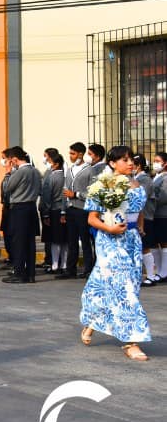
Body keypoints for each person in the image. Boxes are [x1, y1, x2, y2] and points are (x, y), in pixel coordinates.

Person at [79, 146, 151, 361]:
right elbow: (92, 218)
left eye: (131, 159)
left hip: (132, 241)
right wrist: (109, 228)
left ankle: (92, 321)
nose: (130, 163)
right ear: (112, 163)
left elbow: (140, 210)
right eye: (124, 160)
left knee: (110, 284)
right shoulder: (102, 185)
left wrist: (139, 225)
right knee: (124, 288)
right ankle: (131, 342)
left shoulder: (137, 184)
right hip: (110, 241)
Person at [1, 147, 41, 284]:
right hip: (31, 207)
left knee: (18, 242)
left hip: (19, 208)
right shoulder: (35, 172)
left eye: (11, 160)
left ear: (15, 159)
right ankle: (30, 274)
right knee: (30, 242)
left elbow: (7, 188)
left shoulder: (19, 172)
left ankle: (19, 273)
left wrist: (8, 173)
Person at [58, 143, 92, 280]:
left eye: (73, 153)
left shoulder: (89, 170)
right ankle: (70, 269)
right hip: (71, 209)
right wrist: (63, 211)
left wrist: (76, 194)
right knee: (71, 241)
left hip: (82, 209)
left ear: (80, 154)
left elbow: (92, 192)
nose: (70, 156)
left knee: (85, 241)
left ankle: (88, 269)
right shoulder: (70, 169)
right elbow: (65, 191)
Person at [40, 151, 67, 274]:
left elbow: (46, 197)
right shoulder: (66, 177)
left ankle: (55, 265)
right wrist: (64, 211)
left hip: (53, 210)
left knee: (54, 240)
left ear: (56, 164)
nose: (49, 165)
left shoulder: (51, 177)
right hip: (64, 210)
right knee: (64, 240)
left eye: (50, 162)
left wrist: (45, 213)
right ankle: (64, 264)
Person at [133, 154, 157, 286]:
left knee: (145, 247)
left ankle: (151, 276)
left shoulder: (144, 179)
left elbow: (141, 199)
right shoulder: (136, 178)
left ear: (138, 166)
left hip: (144, 216)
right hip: (136, 217)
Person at [151, 151, 167, 282]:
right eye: (154, 160)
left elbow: (163, 197)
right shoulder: (156, 176)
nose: (155, 163)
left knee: (164, 243)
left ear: (165, 163)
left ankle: (164, 272)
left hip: (163, 214)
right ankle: (160, 271)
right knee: (155, 243)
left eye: (157, 161)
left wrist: (150, 200)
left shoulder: (165, 178)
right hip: (154, 214)